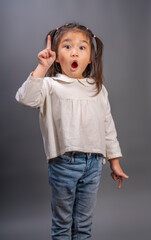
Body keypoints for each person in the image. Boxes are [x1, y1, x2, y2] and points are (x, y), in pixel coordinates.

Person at [15, 22, 129, 240]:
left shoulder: (97, 88)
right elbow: (25, 98)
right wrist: (42, 67)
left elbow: (108, 126)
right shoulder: (49, 85)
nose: (74, 51)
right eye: (67, 47)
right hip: (64, 164)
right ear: (57, 56)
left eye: (82, 47)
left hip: (94, 164)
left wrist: (114, 161)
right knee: (62, 224)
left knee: (84, 225)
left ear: (90, 58)